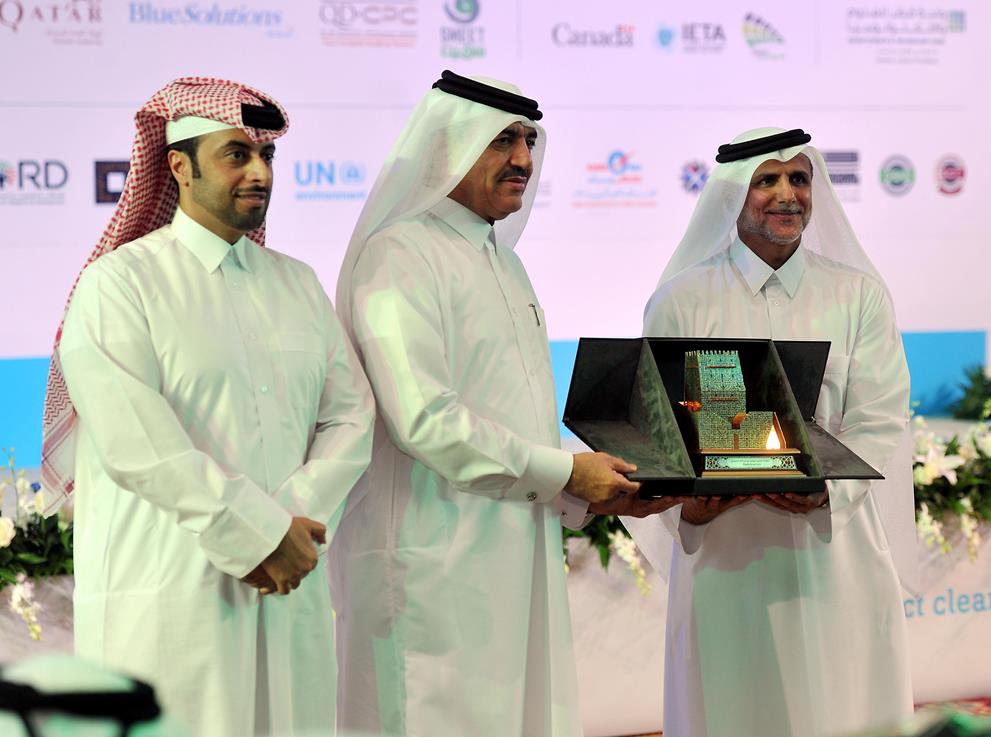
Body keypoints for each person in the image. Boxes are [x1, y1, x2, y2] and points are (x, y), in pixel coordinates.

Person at [39, 77, 375, 737]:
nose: (258, 172)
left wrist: (286, 524)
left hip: (288, 585)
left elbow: (350, 417)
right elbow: (141, 444)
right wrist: (257, 531)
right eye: (236, 154)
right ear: (178, 167)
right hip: (175, 595)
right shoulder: (120, 285)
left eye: (266, 156)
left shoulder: (298, 285)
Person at [329, 70, 640, 737]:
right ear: (449, 146)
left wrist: (589, 486)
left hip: (508, 555)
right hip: (431, 567)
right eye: (503, 140)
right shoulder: (399, 256)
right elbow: (425, 419)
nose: (525, 159)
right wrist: (565, 473)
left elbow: (511, 417)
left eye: (529, 139)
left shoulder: (502, 261)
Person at [615, 128, 917, 737]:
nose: (787, 195)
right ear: (732, 197)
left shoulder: (856, 295)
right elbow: (655, 431)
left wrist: (827, 492)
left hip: (835, 547)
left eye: (799, 179)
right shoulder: (681, 299)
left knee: (842, 708)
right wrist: (688, 510)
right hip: (726, 549)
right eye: (767, 180)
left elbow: (881, 417)